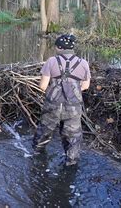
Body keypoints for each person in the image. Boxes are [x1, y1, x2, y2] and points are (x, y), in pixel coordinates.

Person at [32, 34, 91, 166]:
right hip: (73, 107)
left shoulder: (51, 61)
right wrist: (71, 92)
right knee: (73, 136)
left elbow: (42, 86)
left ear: (59, 47)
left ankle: (37, 155)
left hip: (52, 106)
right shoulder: (83, 63)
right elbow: (85, 86)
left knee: (44, 131)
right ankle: (71, 162)